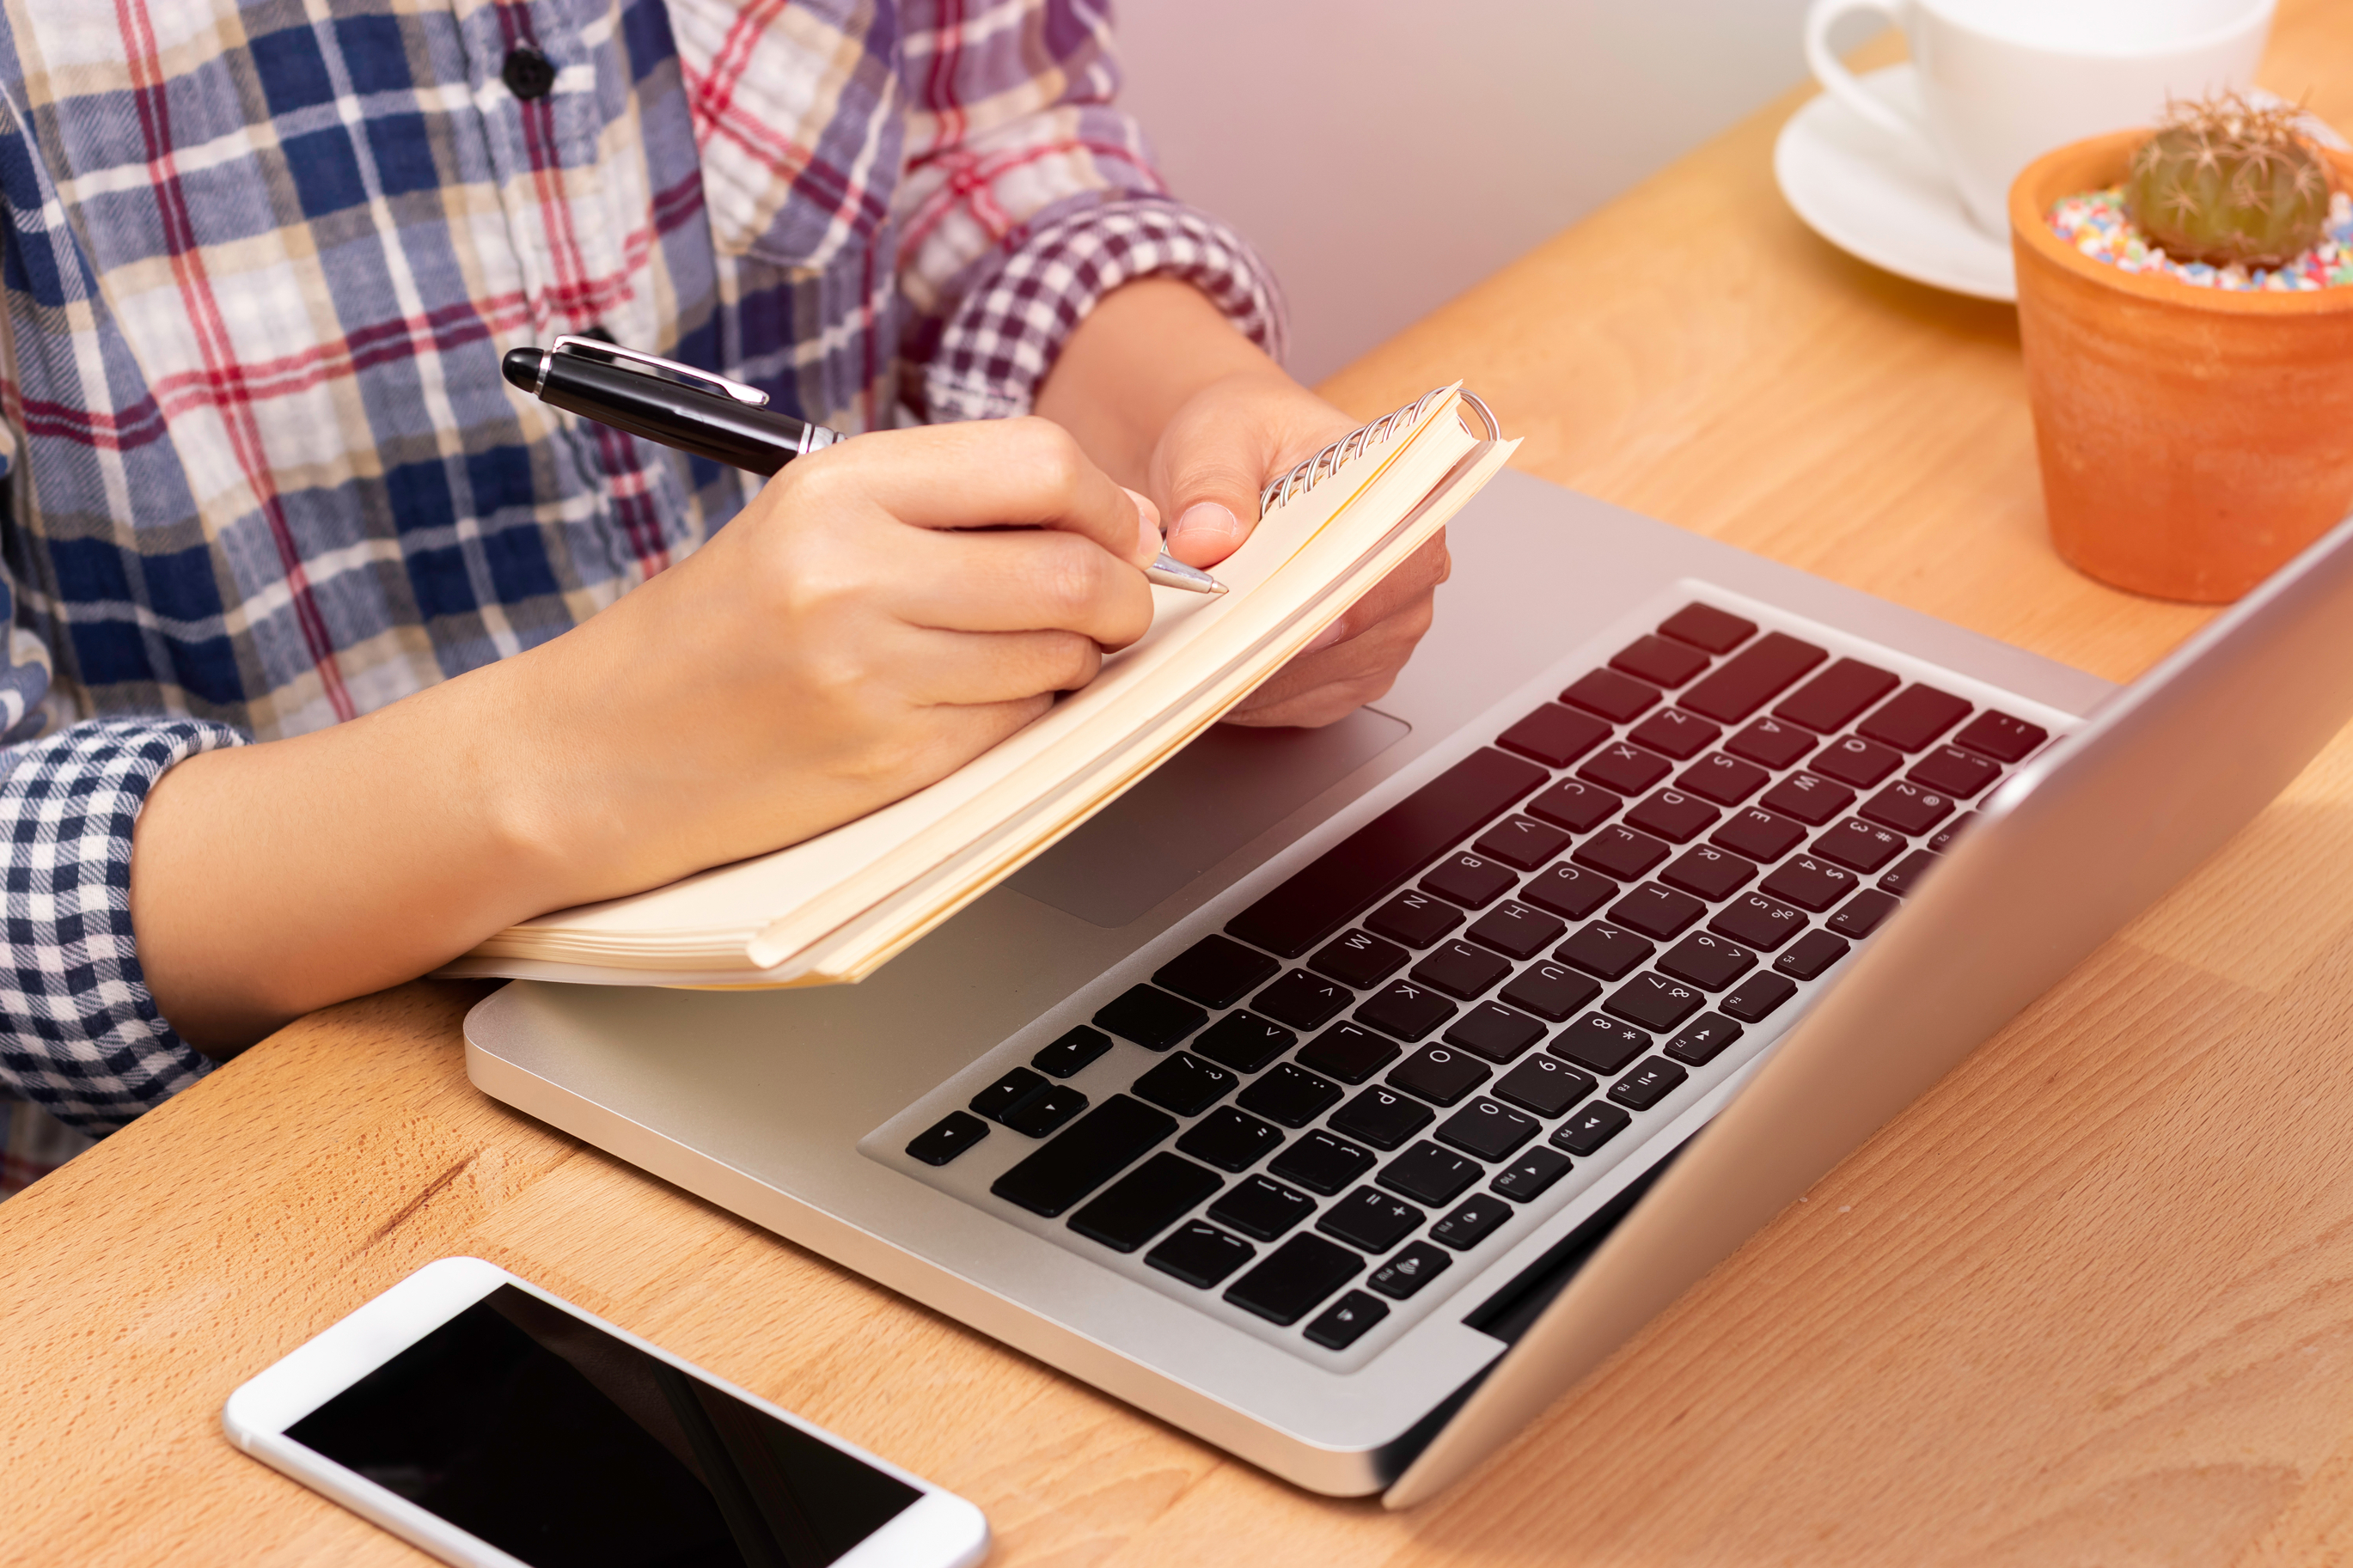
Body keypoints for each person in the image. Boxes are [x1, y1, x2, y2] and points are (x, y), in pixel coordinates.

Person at [0, 0, 1451, 1193]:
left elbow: (976, 144)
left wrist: (1191, 412)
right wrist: (572, 764)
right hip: (298, 1158)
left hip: (955, 934)